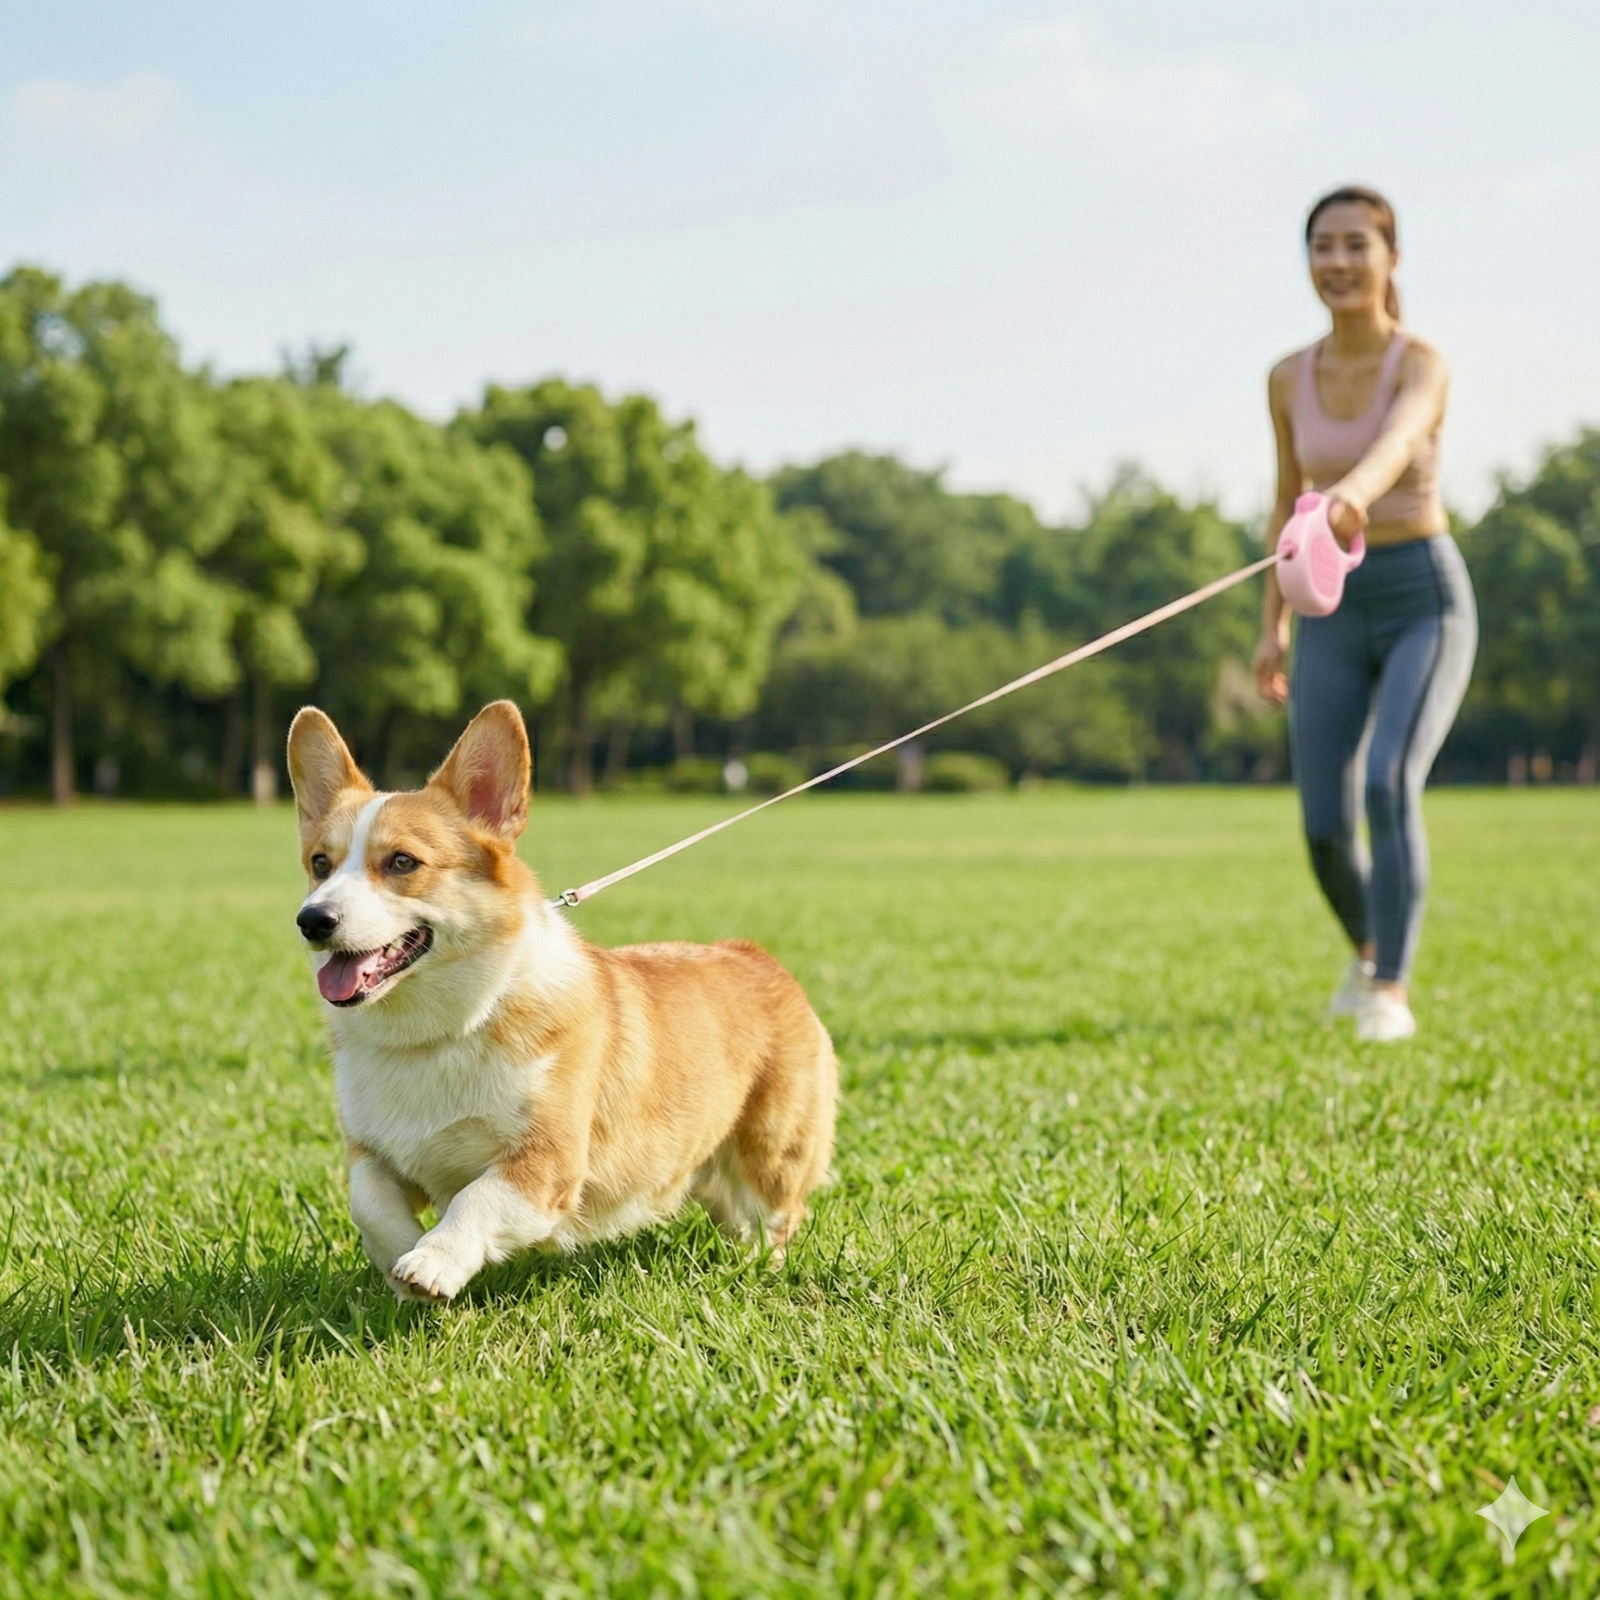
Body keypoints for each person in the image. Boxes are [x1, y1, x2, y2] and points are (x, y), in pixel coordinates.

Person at [1253, 186, 1476, 1043]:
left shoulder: (1422, 362)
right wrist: (1271, 625)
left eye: (1356, 244)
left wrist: (1350, 493)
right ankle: (1367, 947)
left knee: (1388, 780)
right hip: (1328, 602)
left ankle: (1391, 991)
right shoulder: (1287, 376)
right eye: (1323, 246)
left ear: (1391, 258)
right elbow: (1284, 500)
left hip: (1423, 594)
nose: (1338, 262)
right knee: (1321, 824)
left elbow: (1399, 439)